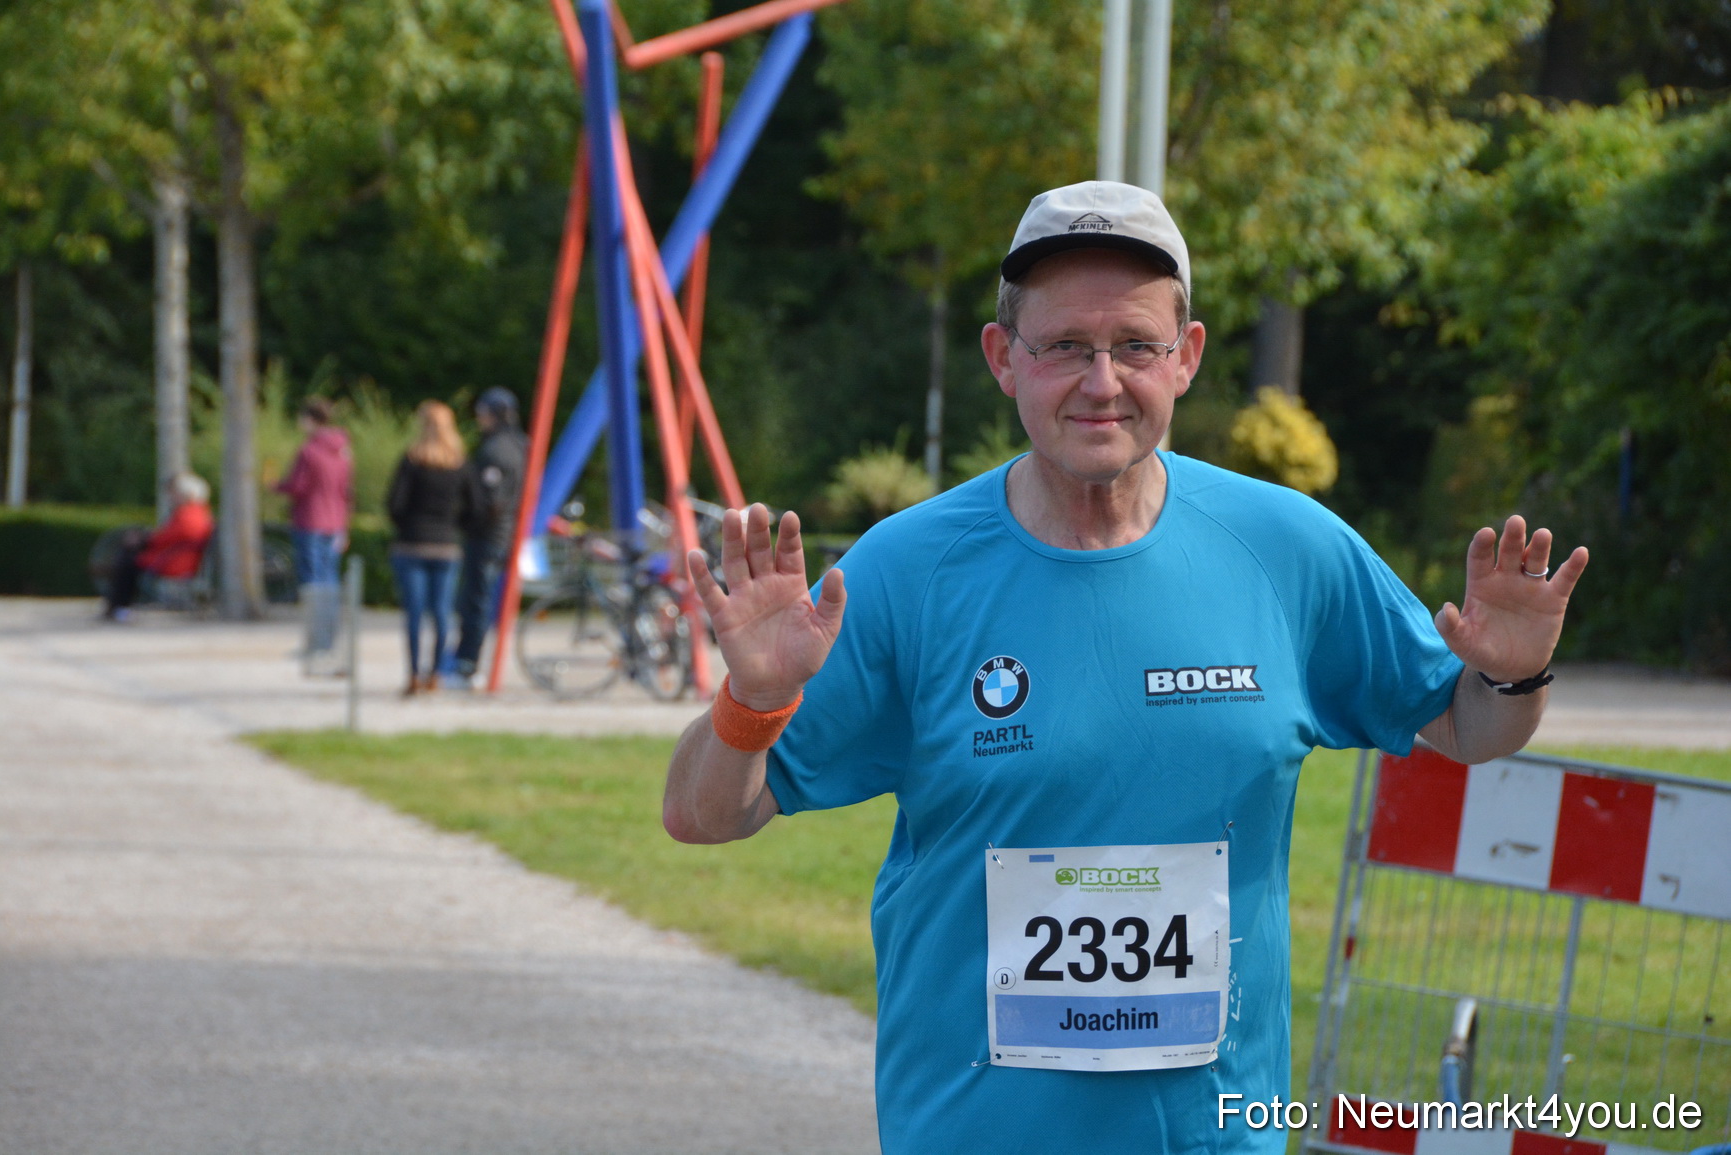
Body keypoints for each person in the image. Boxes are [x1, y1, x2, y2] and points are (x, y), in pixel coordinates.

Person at [662, 182, 1589, 1154]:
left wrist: (1512, 679)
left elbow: (1468, 729)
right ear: (1002, 359)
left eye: (1135, 346)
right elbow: (700, 814)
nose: (1100, 380)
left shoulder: (1287, 549)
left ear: (1184, 357)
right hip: (972, 1132)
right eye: (1063, 346)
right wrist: (753, 701)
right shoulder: (905, 574)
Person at [386, 400, 469, 695]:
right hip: (446, 546)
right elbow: (474, 507)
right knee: (442, 613)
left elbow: (394, 504)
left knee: (414, 614)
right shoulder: (459, 463)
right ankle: (435, 674)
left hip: (412, 544)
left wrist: (406, 526)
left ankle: (412, 674)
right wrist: (455, 526)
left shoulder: (411, 461)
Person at [451, 386, 527, 686]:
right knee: (481, 600)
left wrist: (466, 518)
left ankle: (468, 665)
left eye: (482, 413)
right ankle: (470, 662)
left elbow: (491, 503)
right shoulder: (523, 445)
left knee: (475, 601)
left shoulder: (494, 450)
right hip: (510, 534)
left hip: (488, 536)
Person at [275, 396, 353, 673]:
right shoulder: (343, 451)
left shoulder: (309, 451)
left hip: (310, 521)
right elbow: (347, 492)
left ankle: (316, 641)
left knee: (311, 583)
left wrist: (276, 486)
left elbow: (299, 486)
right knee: (329, 581)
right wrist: (345, 526)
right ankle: (329, 640)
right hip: (334, 523)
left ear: (309, 419)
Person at [103, 472, 215, 620]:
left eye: (175, 494)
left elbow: (166, 537)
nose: (172, 497)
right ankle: (118, 606)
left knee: (127, 562)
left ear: (186, 494)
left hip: (174, 563)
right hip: (176, 559)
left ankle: (118, 606)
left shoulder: (189, 514)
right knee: (129, 559)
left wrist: (144, 539)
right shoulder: (196, 513)